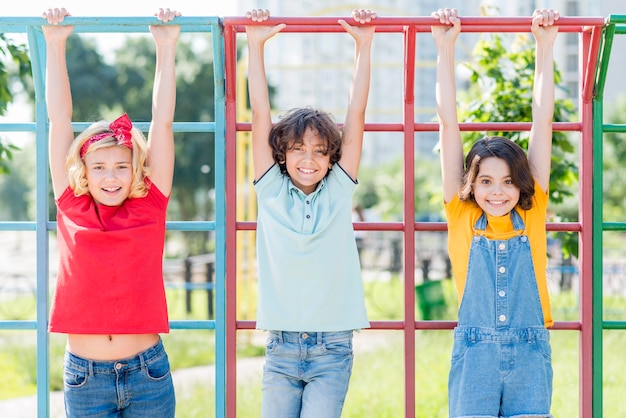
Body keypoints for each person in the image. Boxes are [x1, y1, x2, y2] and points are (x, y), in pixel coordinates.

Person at [43, 6, 180, 417]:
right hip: (85, 379)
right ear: (82, 170)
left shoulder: (150, 204)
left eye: (122, 166)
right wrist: (55, 45)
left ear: (135, 168)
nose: (111, 176)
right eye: (99, 167)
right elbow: (58, 118)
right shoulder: (71, 204)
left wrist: (166, 48)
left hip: (148, 374)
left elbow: (163, 121)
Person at [245, 8, 376, 418]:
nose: (309, 159)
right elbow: (259, 116)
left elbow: (355, 117)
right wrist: (255, 45)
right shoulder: (269, 189)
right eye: (298, 149)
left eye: (320, 151)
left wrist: (364, 46)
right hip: (281, 346)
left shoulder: (337, 190)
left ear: (331, 158)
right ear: (281, 154)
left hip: (332, 346)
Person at [432, 7, 559, 418]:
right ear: (471, 184)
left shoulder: (533, 206)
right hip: (475, 357)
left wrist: (545, 46)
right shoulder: (461, 212)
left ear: (520, 182)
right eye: (485, 181)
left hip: (530, 354)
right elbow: (447, 124)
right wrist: (445, 50)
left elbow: (543, 118)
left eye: (507, 181)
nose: (498, 191)